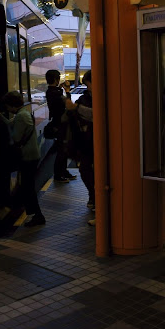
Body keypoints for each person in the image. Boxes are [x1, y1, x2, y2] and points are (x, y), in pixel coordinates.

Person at [0, 91, 45, 227]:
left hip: (27, 156)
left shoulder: (21, 117)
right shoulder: (24, 113)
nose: (7, 109)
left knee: (28, 187)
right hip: (32, 155)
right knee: (26, 185)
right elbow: (10, 124)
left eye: (7, 106)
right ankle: (34, 213)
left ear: (12, 105)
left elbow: (16, 137)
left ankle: (37, 215)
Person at [65, 70, 95, 225]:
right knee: (85, 169)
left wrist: (76, 109)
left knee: (97, 171)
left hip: (97, 141)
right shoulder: (84, 97)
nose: (88, 87)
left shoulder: (105, 96)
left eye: (88, 84)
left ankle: (97, 199)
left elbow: (97, 114)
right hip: (86, 141)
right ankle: (93, 195)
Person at [45, 69, 77, 183]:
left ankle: (63, 172)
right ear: (56, 79)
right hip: (60, 125)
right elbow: (69, 105)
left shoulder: (51, 91)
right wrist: (67, 91)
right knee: (62, 151)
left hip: (57, 124)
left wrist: (61, 89)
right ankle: (58, 175)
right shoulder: (55, 93)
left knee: (63, 150)